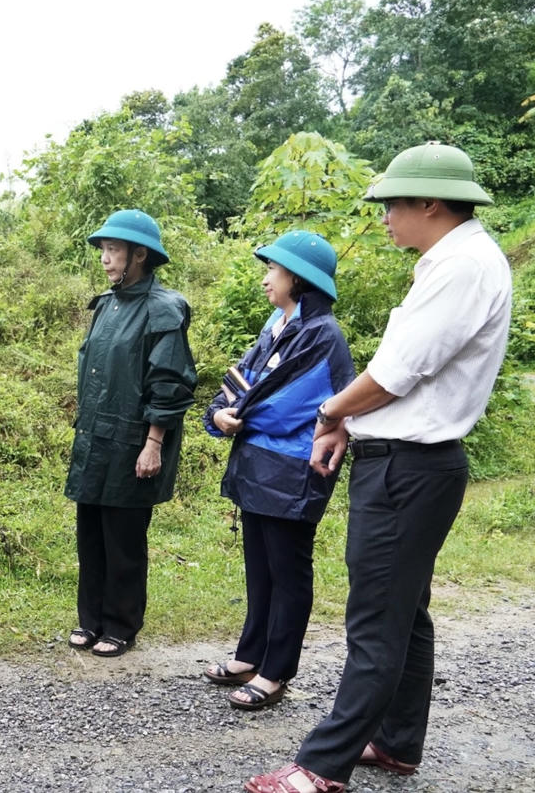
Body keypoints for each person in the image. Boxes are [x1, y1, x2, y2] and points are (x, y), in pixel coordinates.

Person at [246, 142, 512, 793]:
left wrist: (332, 412)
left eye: (393, 204)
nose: (385, 216)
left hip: (408, 466)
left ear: (429, 201)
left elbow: (394, 373)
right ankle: (395, 741)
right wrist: (349, 420)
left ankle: (319, 765)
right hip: (411, 462)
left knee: (374, 618)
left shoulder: (462, 267)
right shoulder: (453, 260)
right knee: (403, 610)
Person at [202, 231, 355, 710]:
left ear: (299, 279)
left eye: (274, 270)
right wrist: (217, 412)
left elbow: (280, 404)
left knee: (287, 572)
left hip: (293, 470)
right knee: (260, 568)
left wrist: (235, 414)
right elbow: (241, 378)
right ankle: (251, 655)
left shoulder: (321, 335)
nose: (267, 278)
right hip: (258, 466)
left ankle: (277, 671)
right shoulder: (278, 323)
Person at [64, 209, 197, 658]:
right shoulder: (106, 304)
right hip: (94, 439)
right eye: (103, 250)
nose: (105, 259)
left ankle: (121, 625)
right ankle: (91, 620)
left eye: (113, 250)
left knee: (123, 539)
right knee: (92, 534)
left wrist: (154, 443)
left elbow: (170, 381)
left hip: (134, 440)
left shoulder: (163, 309)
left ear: (140, 254)